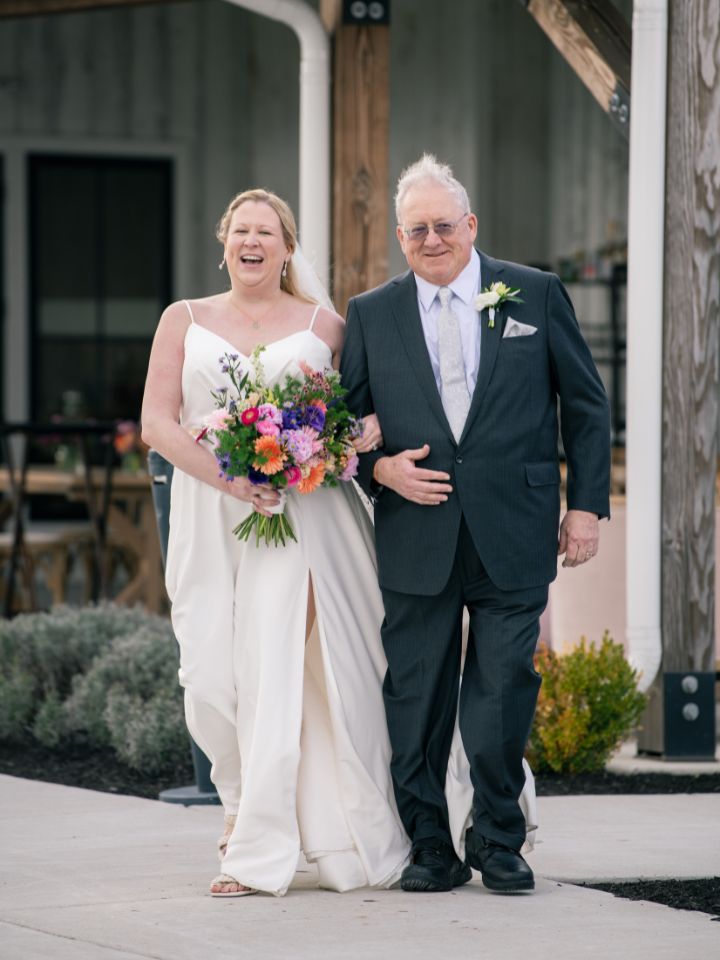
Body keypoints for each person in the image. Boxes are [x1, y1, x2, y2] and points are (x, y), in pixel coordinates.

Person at [340, 154, 611, 894]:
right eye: (417, 229)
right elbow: (345, 429)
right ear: (401, 236)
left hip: (514, 528)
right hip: (415, 532)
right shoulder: (369, 314)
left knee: (500, 692)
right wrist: (379, 469)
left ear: (472, 226)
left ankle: (497, 838)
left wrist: (584, 506)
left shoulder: (535, 294)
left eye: (445, 225)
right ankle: (430, 844)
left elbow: (586, 407)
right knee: (417, 695)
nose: (433, 239)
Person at [141, 188, 412, 897]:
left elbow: (362, 414)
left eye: (266, 231)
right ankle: (239, 801)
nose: (252, 242)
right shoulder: (184, 319)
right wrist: (233, 482)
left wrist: (339, 444)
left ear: (288, 248)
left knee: (278, 666)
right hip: (212, 513)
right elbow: (157, 425)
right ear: (223, 240)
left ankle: (253, 839)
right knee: (209, 672)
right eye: (240, 230)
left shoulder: (327, 324)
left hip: (304, 518)